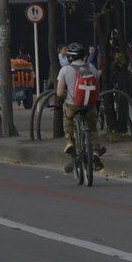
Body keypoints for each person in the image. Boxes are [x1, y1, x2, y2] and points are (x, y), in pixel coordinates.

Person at [54, 42, 103, 172]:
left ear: (70, 57)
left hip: (73, 105)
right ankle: (96, 154)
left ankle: (70, 142)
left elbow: (59, 92)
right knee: (92, 129)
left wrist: (65, 95)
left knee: (68, 119)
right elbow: (97, 89)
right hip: (90, 105)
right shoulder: (92, 68)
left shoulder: (65, 70)